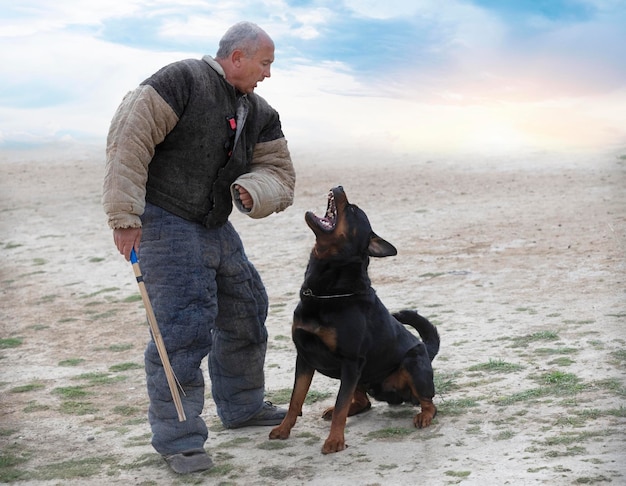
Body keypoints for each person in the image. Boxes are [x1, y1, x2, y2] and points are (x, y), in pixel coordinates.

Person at [102, 21, 296, 474]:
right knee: (181, 333)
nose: (267, 73)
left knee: (247, 309)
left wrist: (253, 189)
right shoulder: (181, 81)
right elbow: (129, 139)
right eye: (264, 63)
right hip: (165, 222)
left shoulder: (261, 112)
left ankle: (243, 406)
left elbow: (280, 172)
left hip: (215, 224)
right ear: (237, 58)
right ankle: (181, 441)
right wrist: (125, 217)